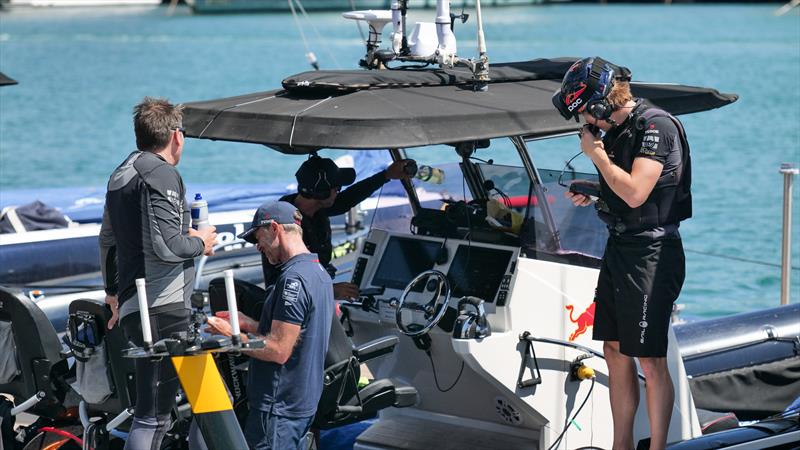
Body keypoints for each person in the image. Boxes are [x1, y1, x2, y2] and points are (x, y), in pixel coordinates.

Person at [552, 57, 692, 450]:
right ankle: (622, 445)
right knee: (613, 350)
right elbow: (622, 191)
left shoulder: (656, 126)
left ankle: (659, 446)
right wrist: (595, 189)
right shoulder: (615, 130)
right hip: (620, 247)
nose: (585, 124)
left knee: (649, 358)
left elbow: (635, 191)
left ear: (600, 104)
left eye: (584, 113)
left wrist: (596, 155)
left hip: (652, 252)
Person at [99, 97, 217, 450]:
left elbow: (107, 240)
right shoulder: (161, 173)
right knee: (181, 410)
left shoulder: (122, 173)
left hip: (137, 308)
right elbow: (168, 246)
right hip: (164, 311)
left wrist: (113, 293)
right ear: (176, 136)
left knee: (175, 407)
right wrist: (201, 244)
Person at [207, 201, 334, 450]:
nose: (258, 247)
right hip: (301, 403)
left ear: (274, 228)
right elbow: (297, 331)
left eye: (258, 237)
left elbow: (279, 350)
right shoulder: (317, 272)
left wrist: (232, 336)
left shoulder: (292, 281)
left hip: (278, 408)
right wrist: (249, 324)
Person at [261, 155, 414, 300]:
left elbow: (347, 200)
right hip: (294, 308)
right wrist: (331, 290)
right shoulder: (282, 228)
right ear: (322, 193)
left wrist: (386, 175)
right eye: (337, 189)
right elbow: (282, 285)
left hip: (318, 293)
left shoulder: (315, 207)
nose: (338, 193)